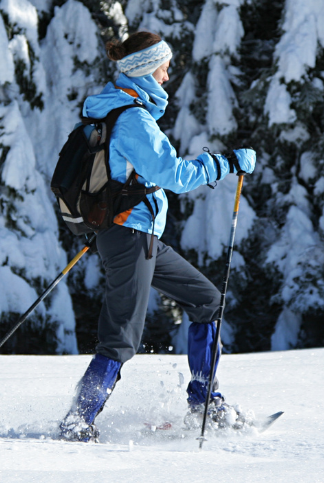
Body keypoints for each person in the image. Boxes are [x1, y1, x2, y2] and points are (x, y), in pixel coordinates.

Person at [58, 31, 256, 442]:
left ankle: (204, 400)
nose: (167, 76)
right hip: (130, 236)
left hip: (137, 234)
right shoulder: (132, 119)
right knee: (120, 338)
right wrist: (226, 163)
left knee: (206, 300)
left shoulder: (115, 111)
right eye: (163, 67)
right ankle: (78, 422)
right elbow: (174, 176)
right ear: (146, 70)